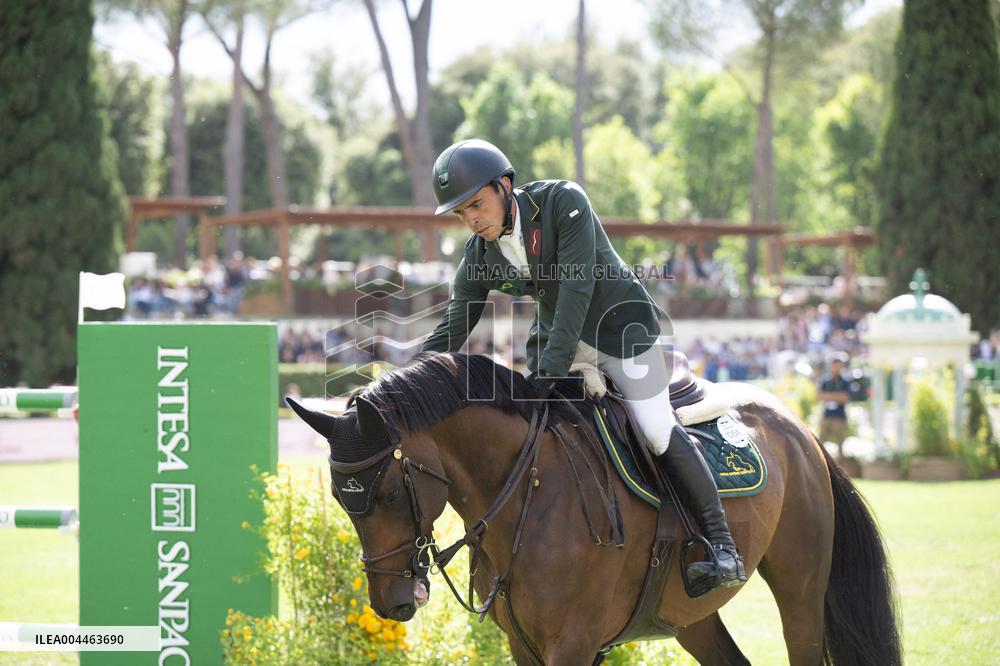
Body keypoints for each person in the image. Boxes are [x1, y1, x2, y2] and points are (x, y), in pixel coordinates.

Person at [419, 139, 746, 593]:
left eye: (477, 203)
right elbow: (456, 323)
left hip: (621, 333)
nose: (472, 219)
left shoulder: (563, 202)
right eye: (461, 213)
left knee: (654, 429)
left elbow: (576, 292)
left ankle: (722, 545)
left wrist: (548, 374)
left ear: (505, 186)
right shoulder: (480, 255)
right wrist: (407, 378)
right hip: (560, 344)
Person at [818, 352, 851, 459]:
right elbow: (820, 396)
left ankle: (841, 466)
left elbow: (845, 398)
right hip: (827, 415)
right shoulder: (825, 380)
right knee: (821, 443)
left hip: (839, 417)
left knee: (841, 444)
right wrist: (837, 396)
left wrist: (830, 396)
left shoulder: (845, 381)